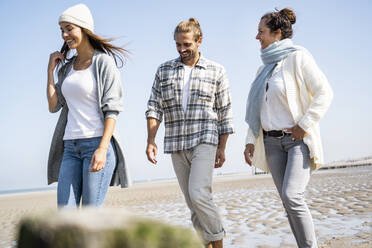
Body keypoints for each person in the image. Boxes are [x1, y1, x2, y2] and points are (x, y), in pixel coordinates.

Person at [243, 8, 333, 248]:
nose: (257, 37)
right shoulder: (262, 69)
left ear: (277, 33)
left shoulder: (298, 57)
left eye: (261, 32)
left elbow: (325, 93)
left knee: (292, 196)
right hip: (271, 144)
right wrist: (250, 140)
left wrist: (304, 125)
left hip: (297, 142)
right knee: (287, 202)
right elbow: (257, 109)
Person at [145, 18, 234, 248]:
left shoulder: (217, 70)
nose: (182, 49)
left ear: (199, 41)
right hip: (176, 143)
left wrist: (222, 147)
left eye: (186, 44)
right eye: (177, 45)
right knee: (192, 202)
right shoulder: (164, 70)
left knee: (199, 194)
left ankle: (218, 241)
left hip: (205, 139)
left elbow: (224, 111)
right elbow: (154, 106)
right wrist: (151, 140)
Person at [46, 3, 130, 208]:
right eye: (62, 30)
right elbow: (53, 106)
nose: (64, 35)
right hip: (70, 148)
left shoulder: (103, 63)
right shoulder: (66, 68)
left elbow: (113, 110)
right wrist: (50, 72)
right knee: (65, 216)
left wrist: (102, 148)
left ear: (83, 28)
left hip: (96, 144)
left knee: (89, 217)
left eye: (69, 28)